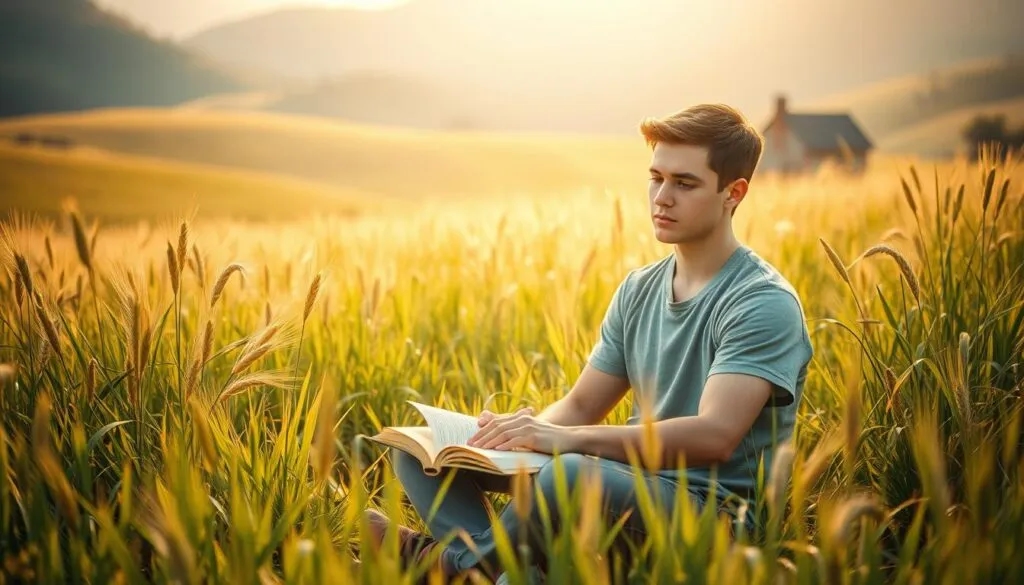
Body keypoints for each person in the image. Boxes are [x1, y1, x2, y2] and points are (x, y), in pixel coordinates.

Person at [360, 103, 814, 582]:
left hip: (712, 520)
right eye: (655, 178)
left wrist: (567, 443)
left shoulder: (761, 302)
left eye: (684, 183)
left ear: (733, 192)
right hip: (631, 488)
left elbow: (715, 436)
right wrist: (508, 435)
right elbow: (578, 406)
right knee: (419, 453)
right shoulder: (639, 289)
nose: (662, 197)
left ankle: (445, 566)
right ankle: (496, 575)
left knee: (568, 473)